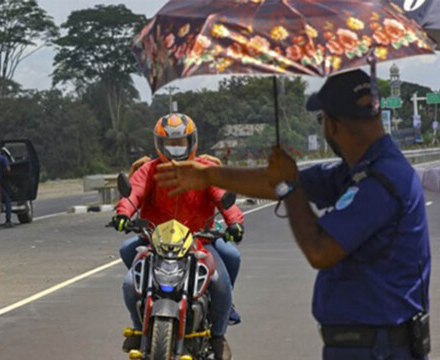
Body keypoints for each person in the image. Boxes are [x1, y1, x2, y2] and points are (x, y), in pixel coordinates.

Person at [155, 70, 431, 360]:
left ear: (333, 124)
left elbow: (320, 250)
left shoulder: (381, 180)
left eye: (322, 119)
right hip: (366, 344)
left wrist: (288, 186)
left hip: (379, 349)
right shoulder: (361, 169)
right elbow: (278, 183)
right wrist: (209, 175)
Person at [112, 113, 244, 360]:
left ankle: (218, 335)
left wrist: (234, 221)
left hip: (198, 241)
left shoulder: (205, 170)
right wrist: (123, 213)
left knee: (222, 284)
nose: (175, 149)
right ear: (159, 144)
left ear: (191, 141)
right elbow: (133, 193)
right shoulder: (149, 170)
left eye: (181, 142)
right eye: (170, 143)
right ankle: (139, 327)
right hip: (156, 241)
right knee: (130, 283)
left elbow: (222, 195)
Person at [0, 141, 13, 228]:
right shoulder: (2, 158)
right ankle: (8, 220)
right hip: (1, 181)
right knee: (8, 200)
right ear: (0, 149)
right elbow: (8, 169)